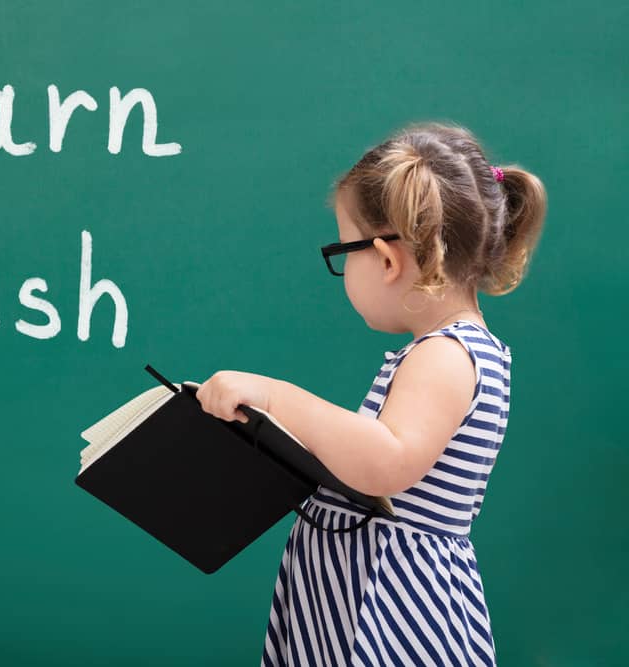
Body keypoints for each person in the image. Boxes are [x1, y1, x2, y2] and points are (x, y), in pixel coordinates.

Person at [193, 121, 547, 666]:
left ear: (386, 258)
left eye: (343, 250)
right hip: (358, 595)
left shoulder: (447, 354)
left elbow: (387, 461)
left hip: (393, 608)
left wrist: (276, 395)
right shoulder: (443, 349)